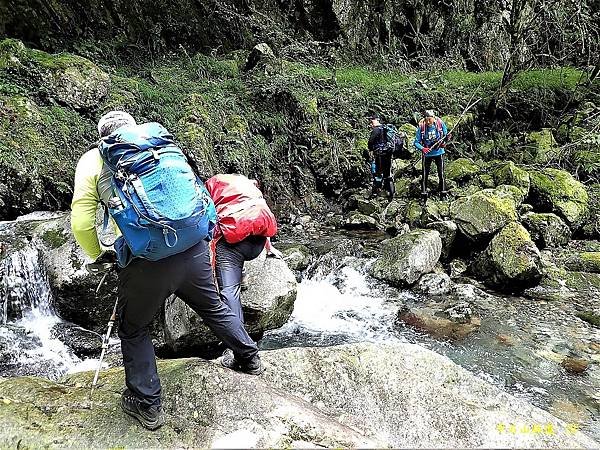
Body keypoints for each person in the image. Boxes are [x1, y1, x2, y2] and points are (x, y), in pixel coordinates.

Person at [71, 111, 263, 431]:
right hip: (193, 247)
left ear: (103, 136)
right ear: (133, 128)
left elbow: (80, 221)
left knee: (134, 328)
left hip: (149, 261)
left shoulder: (95, 159)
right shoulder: (159, 142)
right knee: (212, 305)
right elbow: (196, 191)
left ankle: (146, 403)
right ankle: (249, 358)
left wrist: (98, 255)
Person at [205, 174, 281, 368]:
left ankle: (235, 349)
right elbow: (260, 212)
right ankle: (240, 274)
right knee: (236, 249)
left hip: (233, 243)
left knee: (229, 292)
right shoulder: (248, 186)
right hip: (257, 243)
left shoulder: (209, 188)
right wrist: (269, 248)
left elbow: (206, 224)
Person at [414, 110, 449, 198]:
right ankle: (424, 193)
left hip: (439, 152)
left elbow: (445, 135)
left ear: (433, 118)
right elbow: (416, 142)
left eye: (430, 119)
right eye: (426, 120)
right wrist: (423, 149)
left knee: (441, 173)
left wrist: (444, 142)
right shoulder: (421, 128)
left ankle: (443, 192)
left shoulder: (440, 124)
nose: (428, 122)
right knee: (425, 174)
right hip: (427, 154)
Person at [367, 114, 395, 200]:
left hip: (380, 154)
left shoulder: (376, 130)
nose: (371, 123)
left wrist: (371, 149)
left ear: (376, 120)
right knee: (387, 173)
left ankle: (375, 193)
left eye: (372, 121)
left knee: (378, 173)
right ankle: (391, 193)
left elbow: (370, 142)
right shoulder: (385, 128)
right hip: (388, 153)